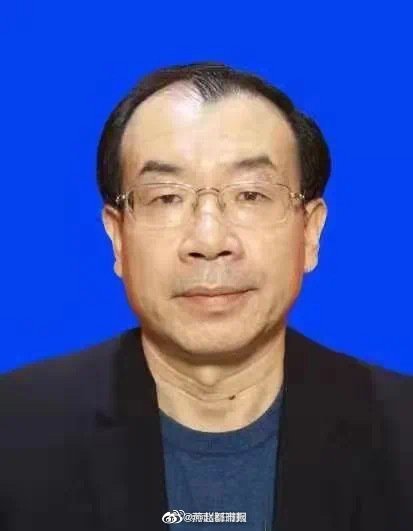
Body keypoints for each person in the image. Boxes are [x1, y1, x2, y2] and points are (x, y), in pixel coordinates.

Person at [0, 62, 411, 531]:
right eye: (166, 197)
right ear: (117, 238)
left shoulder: (403, 433)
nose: (210, 239)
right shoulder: (14, 432)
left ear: (310, 233)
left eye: (251, 195)